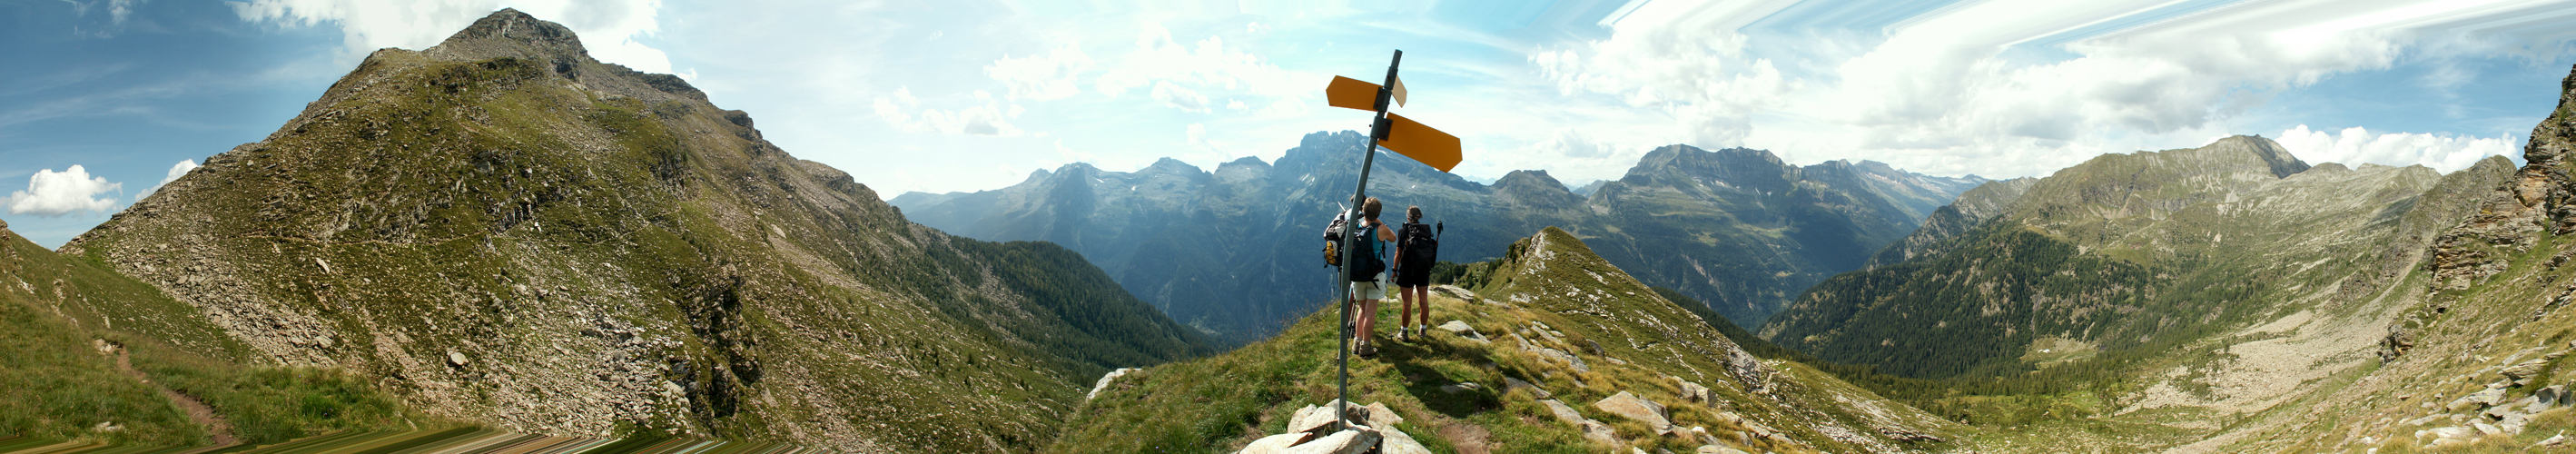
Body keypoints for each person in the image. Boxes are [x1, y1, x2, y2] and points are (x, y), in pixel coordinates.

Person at [1348, 197, 1397, 357]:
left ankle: (1356, 343)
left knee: (1362, 310)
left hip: (1357, 275)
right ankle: (1366, 346)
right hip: (1375, 276)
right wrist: (1377, 220)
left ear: (1363, 210)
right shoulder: (1381, 229)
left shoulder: (1356, 226)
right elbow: (1393, 238)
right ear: (1378, 213)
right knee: (1370, 313)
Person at [1393, 206, 1435, 341]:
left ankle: (1404, 332)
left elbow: (1398, 253)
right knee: (1423, 301)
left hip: (1407, 270)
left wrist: (1394, 271)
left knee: (1407, 303)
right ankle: (1423, 330)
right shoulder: (1426, 230)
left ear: (1408, 217)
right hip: (1423, 269)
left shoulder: (1403, 231)